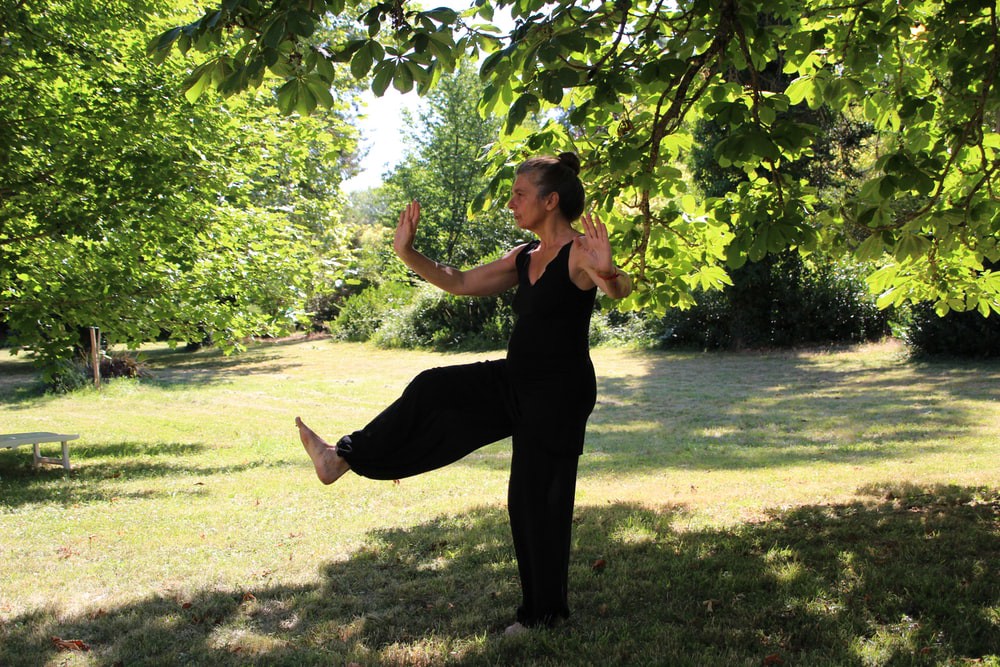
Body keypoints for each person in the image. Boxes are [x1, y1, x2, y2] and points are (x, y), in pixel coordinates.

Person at [296, 151, 632, 634]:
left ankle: (544, 616)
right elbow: (459, 281)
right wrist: (407, 253)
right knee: (434, 388)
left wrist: (611, 272)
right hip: (515, 380)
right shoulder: (524, 257)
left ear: (550, 200)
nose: (512, 203)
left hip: (558, 393)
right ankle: (341, 458)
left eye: (520, 194)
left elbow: (616, 290)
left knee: (535, 500)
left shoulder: (581, 252)